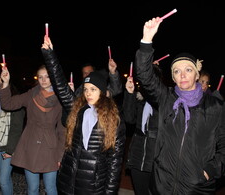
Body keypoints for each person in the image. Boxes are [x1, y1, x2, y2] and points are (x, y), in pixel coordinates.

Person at [134, 17, 225, 194]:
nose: (182, 75)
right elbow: (144, 76)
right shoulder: (167, 98)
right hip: (162, 186)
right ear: (173, 77)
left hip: (196, 188)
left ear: (197, 75)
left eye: (188, 70)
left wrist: (211, 170)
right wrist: (147, 39)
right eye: (177, 71)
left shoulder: (215, 106)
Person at [41, 36, 126, 194]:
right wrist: (49, 55)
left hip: (93, 186)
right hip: (68, 181)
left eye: (92, 89)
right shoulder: (78, 109)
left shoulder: (114, 119)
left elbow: (115, 162)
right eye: (85, 89)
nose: (88, 93)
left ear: (102, 91)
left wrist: (110, 192)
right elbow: (60, 86)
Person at [0, 65, 66, 195]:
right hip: (30, 147)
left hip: (50, 150)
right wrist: (5, 83)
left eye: (47, 76)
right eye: (40, 77)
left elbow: (62, 131)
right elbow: (7, 104)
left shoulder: (61, 99)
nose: (44, 80)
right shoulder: (31, 95)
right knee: (32, 188)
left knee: (51, 188)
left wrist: (60, 155)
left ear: (52, 77)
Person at [122, 62, 161, 195]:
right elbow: (128, 118)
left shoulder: (165, 101)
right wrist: (129, 94)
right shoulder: (140, 100)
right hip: (138, 157)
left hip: (157, 159)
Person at [0, 76, 25, 195]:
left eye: (4, 83)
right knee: (5, 178)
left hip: (9, 146)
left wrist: (11, 150)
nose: (1, 87)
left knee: (3, 180)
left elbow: (17, 128)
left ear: (9, 85)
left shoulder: (15, 101)